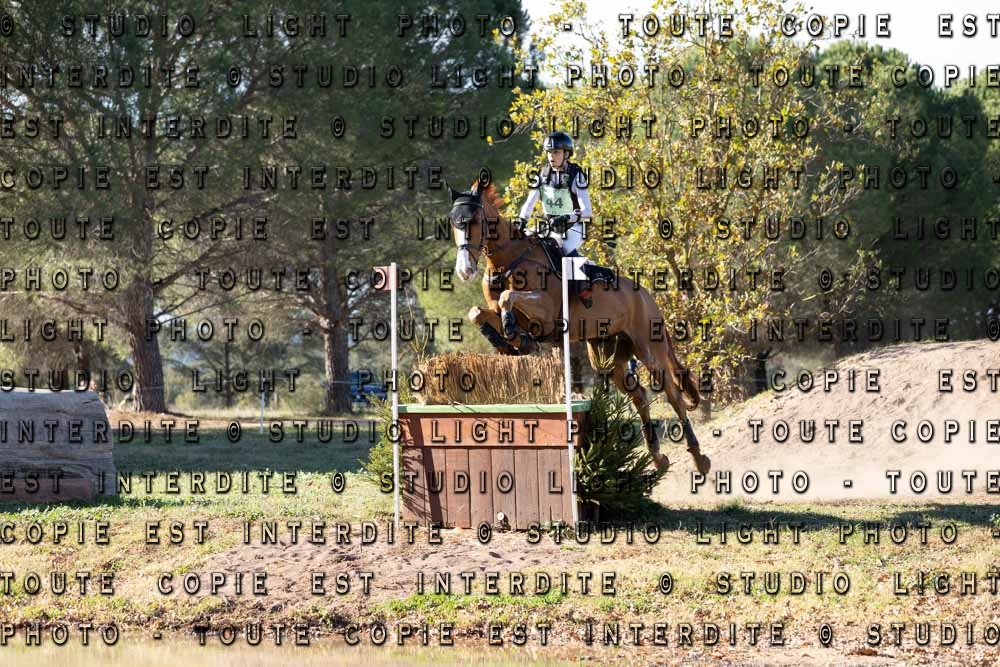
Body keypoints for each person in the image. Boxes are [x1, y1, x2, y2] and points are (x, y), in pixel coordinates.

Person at [516, 131, 596, 308]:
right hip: (549, 226)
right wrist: (522, 220)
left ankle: (584, 287)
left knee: (565, 246)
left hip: (574, 227)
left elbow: (587, 211)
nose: (552, 156)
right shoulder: (542, 175)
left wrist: (567, 217)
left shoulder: (577, 176)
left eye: (556, 152)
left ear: (566, 154)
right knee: (522, 241)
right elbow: (529, 203)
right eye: (549, 152)